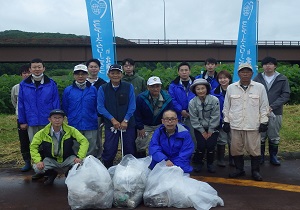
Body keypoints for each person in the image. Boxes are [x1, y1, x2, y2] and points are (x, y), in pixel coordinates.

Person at [223, 63, 269, 181]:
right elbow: (226, 107)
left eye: (248, 71)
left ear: (252, 73)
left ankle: (255, 171)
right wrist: (226, 121)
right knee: (236, 149)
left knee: (254, 150)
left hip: (253, 125)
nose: (245, 74)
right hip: (235, 125)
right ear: (238, 74)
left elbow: (264, 106)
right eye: (242, 72)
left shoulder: (260, 87)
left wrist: (264, 121)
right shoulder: (231, 87)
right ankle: (239, 170)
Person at [30, 109, 89, 185]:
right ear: (49, 119)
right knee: (37, 168)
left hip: (68, 158)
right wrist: (38, 161)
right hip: (51, 160)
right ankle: (51, 174)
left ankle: (69, 174)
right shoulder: (42, 133)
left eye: (59, 118)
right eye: (55, 118)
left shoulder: (71, 130)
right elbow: (33, 146)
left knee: (80, 165)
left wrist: (80, 157)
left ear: (63, 119)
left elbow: (84, 141)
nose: (57, 120)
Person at [97, 64, 136, 168]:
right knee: (109, 149)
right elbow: (100, 107)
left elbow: (132, 105)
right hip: (111, 125)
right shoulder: (103, 88)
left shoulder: (128, 87)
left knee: (129, 149)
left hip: (128, 124)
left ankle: (130, 173)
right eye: (112, 73)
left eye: (118, 73)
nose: (115, 75)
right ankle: (108, 170)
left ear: (122, 74)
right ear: (108, 75)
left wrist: (126, 120)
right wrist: (112, 119)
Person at [254, 56, 290, 166]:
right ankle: (260, 157)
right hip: (260, 112)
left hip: (276, 111)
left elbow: (285, 95)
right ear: (262, 66)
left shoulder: (282, 78)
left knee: (274, 135)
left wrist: (273, 106)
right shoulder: (257, 78)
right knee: (261, 135)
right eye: (265, 64)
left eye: (270, 64)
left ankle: (273, 156)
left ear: (275, 66)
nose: (268, 66)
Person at [18, 58, 60, 142]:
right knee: (34, 144)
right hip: (31, 120)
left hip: (47, 120)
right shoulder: (24, 84)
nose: (37, 69)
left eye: (39, 67)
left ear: (44, 68)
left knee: (49, 143)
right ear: (30, 69)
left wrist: (56, 119)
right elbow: (21, 103)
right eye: (34, 67)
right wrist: (22, 121)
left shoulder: (51, 84)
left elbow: (56, 102)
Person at [62, 64, 98, 157]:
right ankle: (78, 168)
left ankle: (90, 167)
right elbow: (65, 106)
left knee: (91, 147)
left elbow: (97, 106)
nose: (80, 76)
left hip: (90, 123)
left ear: (87, 75)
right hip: (74, 124)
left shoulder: (93, 89)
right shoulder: (68, 90)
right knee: (76, 147)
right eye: (78, 74)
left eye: (83, 74)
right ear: (74, 75)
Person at [135, 76, 173, 158]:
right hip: (145, 124)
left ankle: (160, 159)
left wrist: (166, 126)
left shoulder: (167, 98)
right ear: (148, 87)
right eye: (152, 86)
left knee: (161, 142)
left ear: (160, 87)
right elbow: (137, 113)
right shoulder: (141, 98)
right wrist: (140, 127)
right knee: (141, 142)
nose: (155, 89)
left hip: (160, 124)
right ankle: (141, 159)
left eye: (157, 86)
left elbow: (169, 113)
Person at [189, 78, 220, 173]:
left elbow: (215, 116)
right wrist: (202, 131)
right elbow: (194, 119)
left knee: (211, 146)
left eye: (203, 88)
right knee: (201, 146)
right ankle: (199, 163)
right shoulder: (192, 102)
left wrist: (210, 130)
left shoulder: (214, 100)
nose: (201, 91)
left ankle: (210, 164)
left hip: (213, 127)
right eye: (198, 89)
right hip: (199, 128)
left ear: (207, 89)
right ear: (195, 90)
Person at [148, 110, 194, 174]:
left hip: (179, 164)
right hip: (162, 162)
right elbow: (154, 148)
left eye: (173, 119)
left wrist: (173, 166)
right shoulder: (158, 132)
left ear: (177, 120)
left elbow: (185, 153)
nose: (170, 122)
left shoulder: (185, 133)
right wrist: (165, 160)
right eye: (167, 119)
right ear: (162, 121)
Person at [211, 70, 235, 167]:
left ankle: (232, 159)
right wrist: (222, 120)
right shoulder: (213, 92)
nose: (223, 80)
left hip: (234, 120)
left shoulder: (235, 90)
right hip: (220, 120)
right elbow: (213, 109)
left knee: (233, 140)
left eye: (225, 78)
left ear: (229, 79)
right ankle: (220, 159)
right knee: (221, 139)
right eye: (220, 78)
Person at [168, 62, 196, 143]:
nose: (184, 72)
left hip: (193, 115)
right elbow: (172, 99)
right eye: (182, 70)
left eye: (186, 70)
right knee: (179, 135)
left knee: (193, 136)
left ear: (190, 71)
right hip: (179, 115)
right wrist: (181, 110)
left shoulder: (196, 83)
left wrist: (192, 111)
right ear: (178, 72)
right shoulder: (173, 85)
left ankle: (193, 153)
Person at [11, 65, 31, 172]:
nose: (27, 74)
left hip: (33, 118)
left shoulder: (34, 86)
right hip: (21, 118)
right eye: (24, 73)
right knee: (24, 141)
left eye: (28, 72)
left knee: (37, 140)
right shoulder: (16, 88)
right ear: (21, 75)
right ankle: (27, 162)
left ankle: (40, 161)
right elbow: (14, 102)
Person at [86, 58, 107, 158]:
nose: (93, 69)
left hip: (97, 115)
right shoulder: (81, 82)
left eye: (95, 67)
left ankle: (98, 158)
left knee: (97, 138)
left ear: (99, 69)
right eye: (91, 67)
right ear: (87, 68)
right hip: (84, 114)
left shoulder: (103, 84)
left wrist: (103, 117)